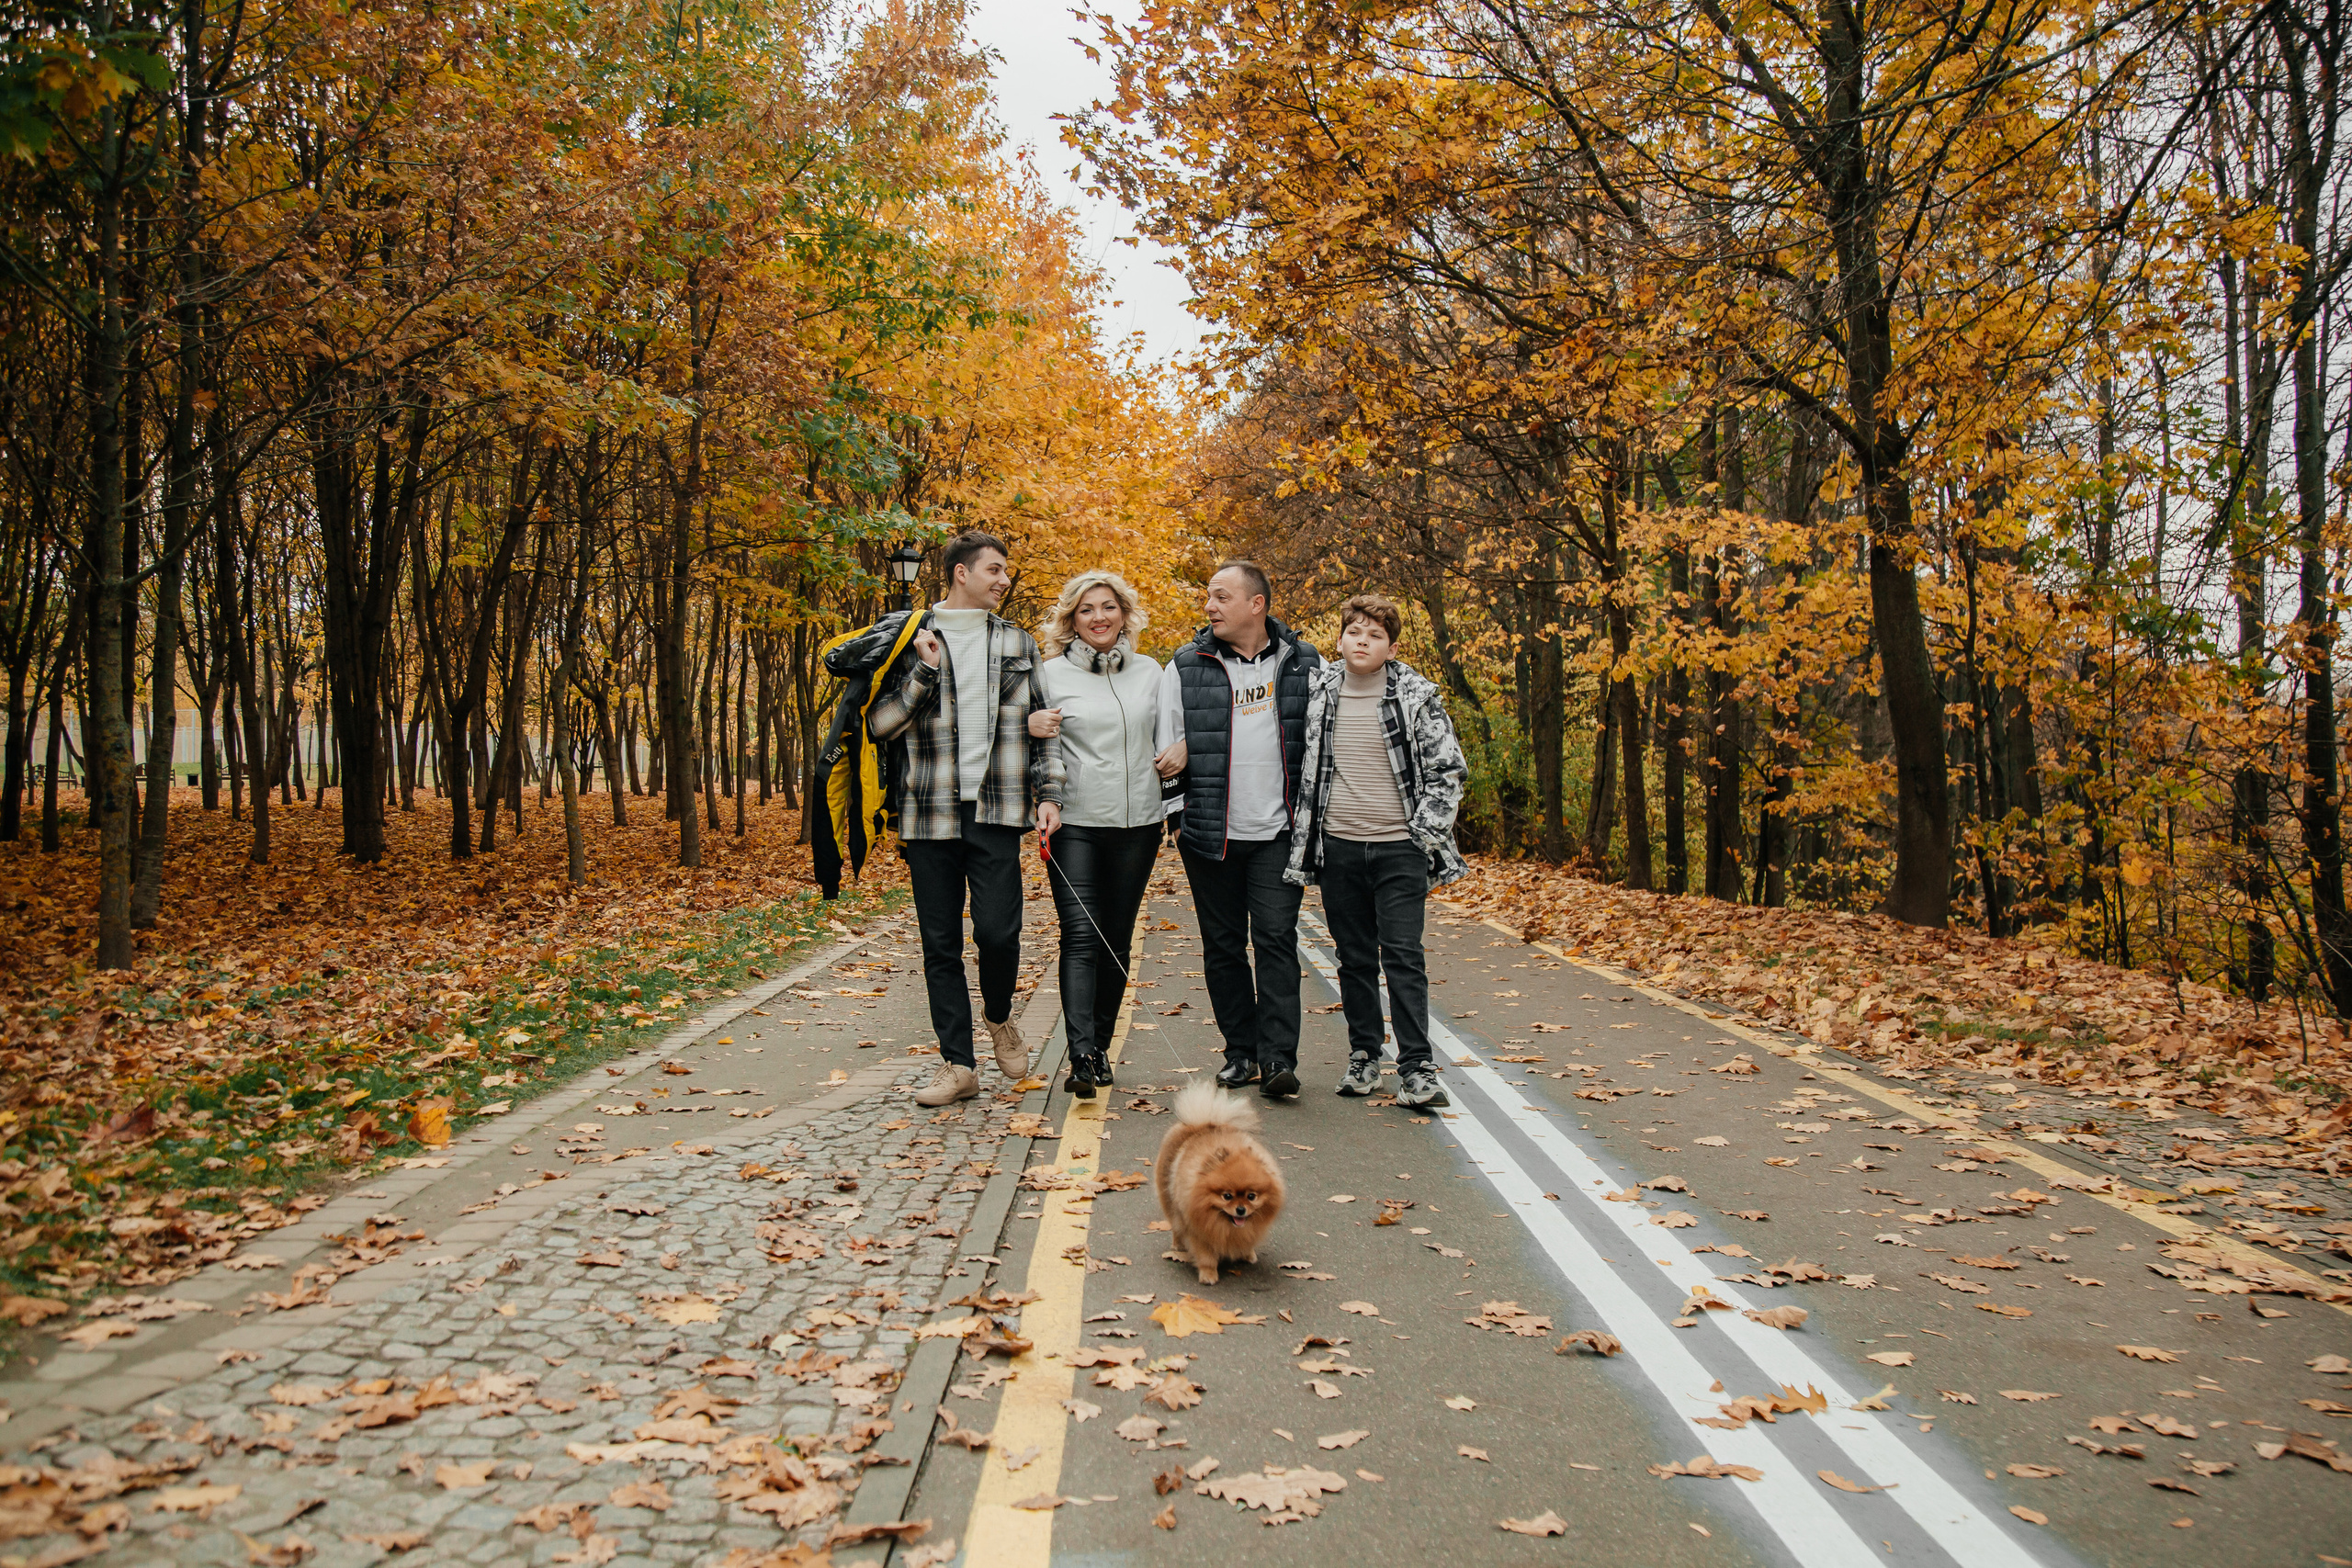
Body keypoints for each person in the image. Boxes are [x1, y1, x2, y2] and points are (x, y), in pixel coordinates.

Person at [866, 530, 1061, 1107]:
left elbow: (1044, 724)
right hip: (928, 812)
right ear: (960, 573)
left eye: (1005, 571)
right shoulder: (907, 637)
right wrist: (922, 674)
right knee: (940, 941)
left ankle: (999, 1016)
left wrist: (1049, 793)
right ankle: (958, 1064)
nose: (1004, 580)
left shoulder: (1017, 643)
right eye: (995, 570)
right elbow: (881, 724)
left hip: (997, 810)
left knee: (999, 932)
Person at [1285, 593, 1468, 1109]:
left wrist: (1421, 835)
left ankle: (1417, 1068)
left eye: (1375, 636)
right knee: (1355, 958)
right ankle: (1365, 1056)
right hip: (1340, 847)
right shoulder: (1321, 692)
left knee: (1404, 956)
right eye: (1354, 633)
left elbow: (1448, 771)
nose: (1362, 642)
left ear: (1390, 647)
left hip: (1399, 851)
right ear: (1339, 639)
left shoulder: (1415, 696)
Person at [1159, 561, 1323, 1099]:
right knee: (1223, 945)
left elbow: (1324, 742)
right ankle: (1240, 1053)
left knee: (1275, 939)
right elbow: (1167, 750)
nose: (1210, 605)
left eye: (1221, 596)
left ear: (1257, 604)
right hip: (1210, 833)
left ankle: (1278, 1059)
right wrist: (1178, 822)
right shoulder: (1184, 665)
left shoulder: (1304, 663)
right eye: (1209, 596)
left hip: (1278, 830)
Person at [1029, 570, 1164, 1099]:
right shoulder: (1048, 674)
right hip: (1075, 821)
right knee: (1082, 934)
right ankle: (1082, 1053)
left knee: (1116, 939)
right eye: (1087, 610)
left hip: (1139, 825)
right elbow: (1032, 743)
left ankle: (1101, 1046)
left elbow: (1174, 732)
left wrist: (1179, 755)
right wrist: (1030, 730)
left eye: (1108, 607)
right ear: (1071, 621)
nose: (1099, 617)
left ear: (1124, 614)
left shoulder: (1153, 673)